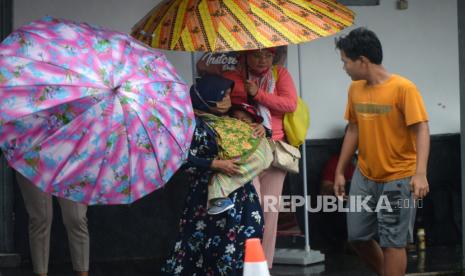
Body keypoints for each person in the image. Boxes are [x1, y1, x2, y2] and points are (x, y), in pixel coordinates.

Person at [334, 27, 430, 276]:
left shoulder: (403, 88)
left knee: (392, 242)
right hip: (364, 175)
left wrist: (420, 174)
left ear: (362, 61)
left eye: (345, 61)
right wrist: (340, 171)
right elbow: (353, 130)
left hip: (398, 177)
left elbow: (421, 129)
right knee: (357, 237)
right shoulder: (355, 89)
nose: (343, 67)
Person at [161, 74, 264, 275]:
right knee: (207, 243)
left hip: (240, 193)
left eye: (228, 94)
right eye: (222, 95)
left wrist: (261, 129)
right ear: (208, 98)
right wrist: (214, 164)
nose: (228, 99)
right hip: (206, 197)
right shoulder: (192, 125)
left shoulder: (230, 120)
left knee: (248, 235)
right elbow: (179, 159)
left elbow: (253, 141)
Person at [223, 48, 298, 268]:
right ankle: (244, 261)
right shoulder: (231, 77)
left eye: (268, 55)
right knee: (250, 204)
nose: (263, 60)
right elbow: (227, 109)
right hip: (243, 151)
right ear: (244, 56)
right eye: (256, 55)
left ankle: (264, 265)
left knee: (270, 208)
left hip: (274, 149)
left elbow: (289, 104)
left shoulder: (279, 74)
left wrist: (258, 94)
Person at [16, 172, 89, 276]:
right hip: (34, 160)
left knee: (76, 218)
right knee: (41, 219)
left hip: (71, 159)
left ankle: (82, 273)